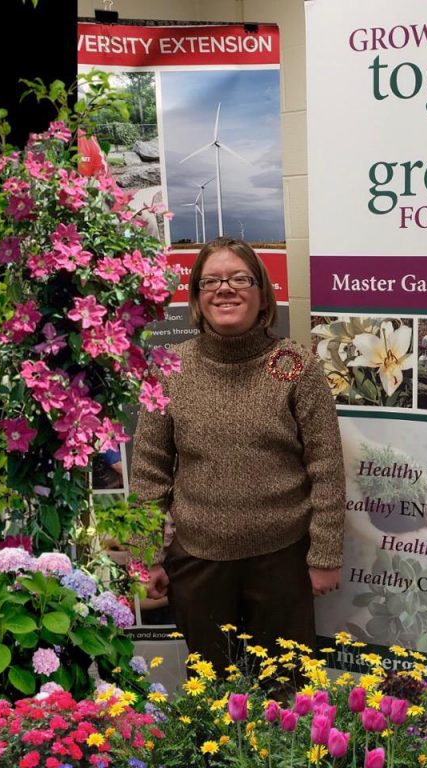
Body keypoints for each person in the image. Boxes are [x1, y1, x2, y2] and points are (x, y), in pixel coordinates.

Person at [131, 237, 345, 668]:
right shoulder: (168, 369)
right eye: (211, 280)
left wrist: (325, 557)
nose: (224, 289)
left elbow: (326, 469)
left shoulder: (297, 365)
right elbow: (149, 472)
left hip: (281, 562)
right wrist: (143, 557)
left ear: (263, 293)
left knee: (286, 693)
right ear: (196, 296)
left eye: (239, 279)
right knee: (214, 696)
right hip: (198, 564)